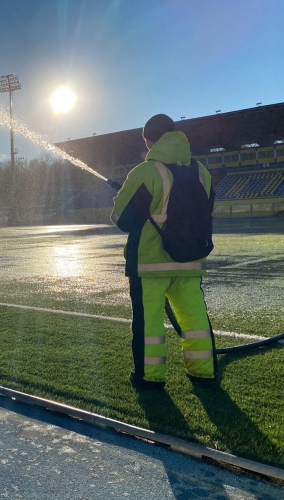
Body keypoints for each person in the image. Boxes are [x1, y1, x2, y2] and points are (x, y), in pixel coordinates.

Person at [110, 114, 217, 390]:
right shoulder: (201, 172)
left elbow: (122, 219)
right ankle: (203, 374)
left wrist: (127, 194)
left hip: (150, 265)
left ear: (149, 140)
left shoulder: (146, 172)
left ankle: (150, 379)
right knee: (195, 319)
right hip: (191, 262)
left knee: (150, 325)